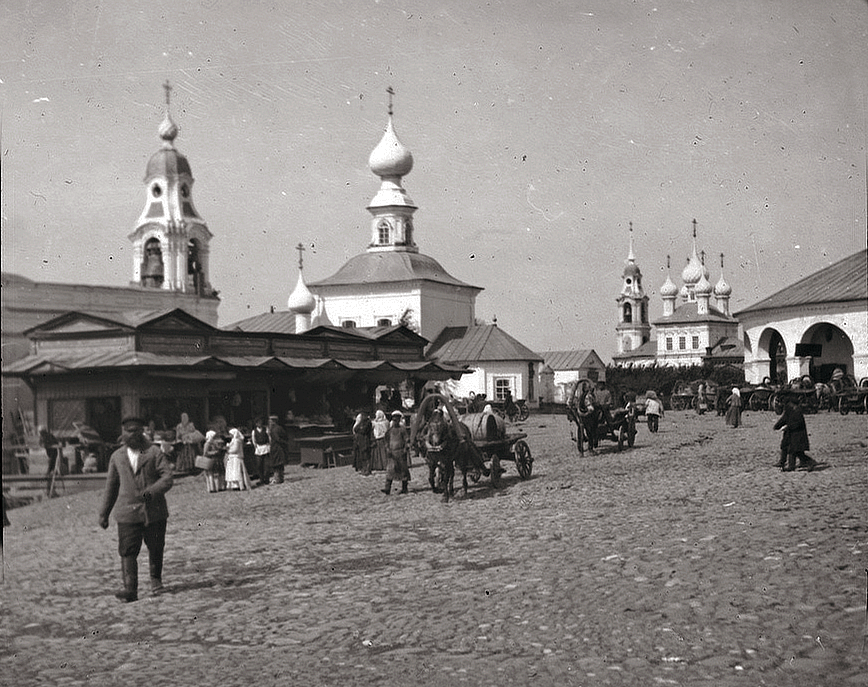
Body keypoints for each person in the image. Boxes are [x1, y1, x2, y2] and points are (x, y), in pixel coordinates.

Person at [98, 416, 174, 602]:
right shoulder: (117, 457)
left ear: (143, 431)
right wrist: (104, 513)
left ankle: (156, 582)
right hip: (127, 512)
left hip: (154, 511)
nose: (132, 434)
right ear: (123, 433)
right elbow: (111, 486)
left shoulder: (154, 452)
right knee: (128, 550)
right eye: (128, 431)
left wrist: (151, 492)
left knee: (156, 547)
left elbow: (168, 477)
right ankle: (130, 589)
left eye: (136, 430)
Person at [774, 396, 817, 472]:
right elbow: (784, 418)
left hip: (798, 433)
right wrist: (777, 425)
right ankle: (786, 463)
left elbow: (797, 423)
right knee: (786, 446)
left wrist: (787, 427)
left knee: (794, 450)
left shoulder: (796, 410)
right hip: (792, 432)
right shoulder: (789, 408)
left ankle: (806, 463)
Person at [382, 410, 411, 495]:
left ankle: (404, 488)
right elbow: (386, 441)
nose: (395, 421)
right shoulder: (389, 431)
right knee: (390, 471)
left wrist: (406, 448)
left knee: (403, 470)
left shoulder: (402, 430)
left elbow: (407, 440)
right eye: (394, 420)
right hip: (392, 454)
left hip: (401, 452)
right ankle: (387, 488)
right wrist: (387, 449)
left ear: (399, 420)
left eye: (396, 419)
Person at [38, 425, 60, 495]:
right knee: (51, 471)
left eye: (42, 432)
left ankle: (51, 490)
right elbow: (41, 443)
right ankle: (50, 490)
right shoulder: (42, 437)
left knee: (50, 471)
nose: (41, 434)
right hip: (49, 455)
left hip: (53, 454)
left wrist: (48, 444)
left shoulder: (49, 436)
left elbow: (55, 442)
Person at [267, 416, 288, 484]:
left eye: (270, 421)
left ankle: (277, 479)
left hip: (276, 448)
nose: (269, 422)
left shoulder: (274, 429)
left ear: (273, 421)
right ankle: (280, 478)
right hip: (279, 448)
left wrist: (283, 442)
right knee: (280, 463)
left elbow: (277, 439)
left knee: (276, 464)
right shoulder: (279, 428)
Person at [251, 417, 271, 487]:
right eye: (258, 423)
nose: (260, 424)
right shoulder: (254, 431)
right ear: (256, 424)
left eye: (260, 422)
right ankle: (261, 479)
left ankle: (266, 479)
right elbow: (254, 440)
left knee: (266, 465)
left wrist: (269, 446)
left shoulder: (266, 429)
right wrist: (256, 446)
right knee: (259, 465)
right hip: (259, 448)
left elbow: (269, 438)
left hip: (265, 447)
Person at [352, 412, 373, 476]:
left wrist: (360, 430)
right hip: (360, 442)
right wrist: (359, 429)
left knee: (366, 456)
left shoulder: (368, 422)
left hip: (365, 441)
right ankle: (363, 469)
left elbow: (364, 430)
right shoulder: (361, 423)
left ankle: (368, 469)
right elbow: (355, 429)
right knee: (362, 456)